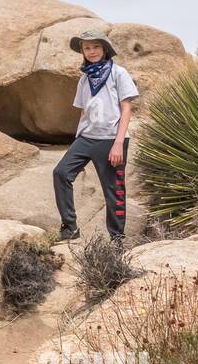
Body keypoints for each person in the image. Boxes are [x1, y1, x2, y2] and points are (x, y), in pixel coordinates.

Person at [52, 28, 139, 243]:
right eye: (87, 48)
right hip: (86, 138)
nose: (91, 52)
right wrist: (77, 142)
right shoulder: (84, 79)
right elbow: (84, 111)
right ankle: (70, 227)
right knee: (61, 173)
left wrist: (118, 143)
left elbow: (126, 108)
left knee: (114, 192)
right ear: (82, 51)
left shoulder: (119, 73)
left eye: (96, 47)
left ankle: (117, 241)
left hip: (111, 139)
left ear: (105, 49)